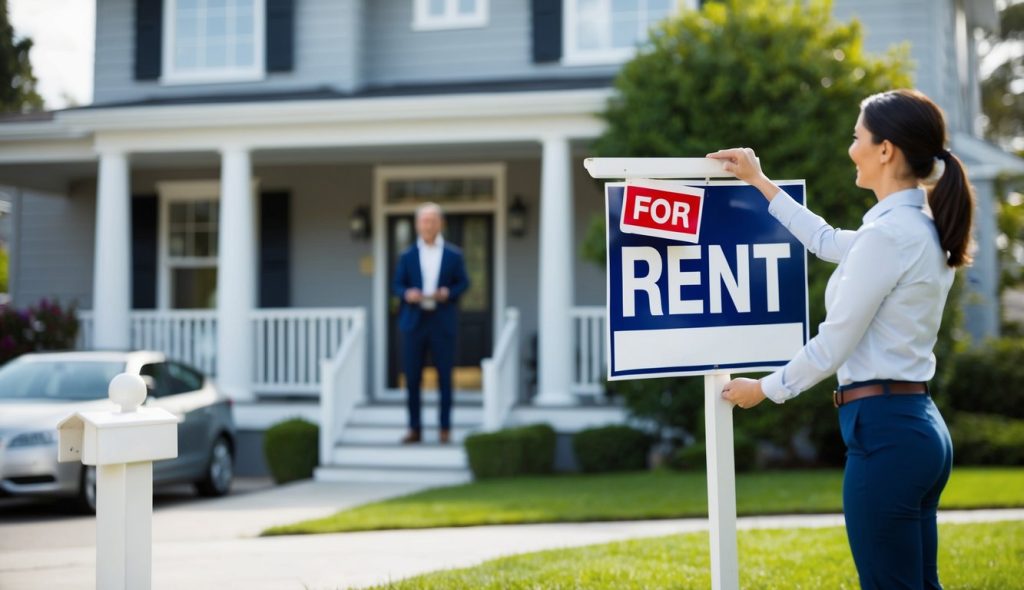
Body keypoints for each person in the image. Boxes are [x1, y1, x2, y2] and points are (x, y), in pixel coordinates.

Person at [708, 88, 972, 590]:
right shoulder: (918, 229)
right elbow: (827, 240)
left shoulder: (890, 236)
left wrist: (763, 389)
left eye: (857, 137)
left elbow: (834, 343)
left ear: (886, 150)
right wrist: (760, 182)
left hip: (886, 432)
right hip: (918, 428)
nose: (850, 148)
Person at [392, 202, 470, 445]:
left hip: (442, 320)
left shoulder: (454, 255)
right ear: (417, 225)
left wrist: (448, 292)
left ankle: (445, 428)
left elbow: (464, 283)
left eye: (432, 220)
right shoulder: (407, 256)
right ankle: (414, 428)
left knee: (444, 377)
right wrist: (407, 294)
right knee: (412, 378)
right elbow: (396, 285)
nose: (428, 225)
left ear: (441, 224)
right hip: (414, 322)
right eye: (424, 221)